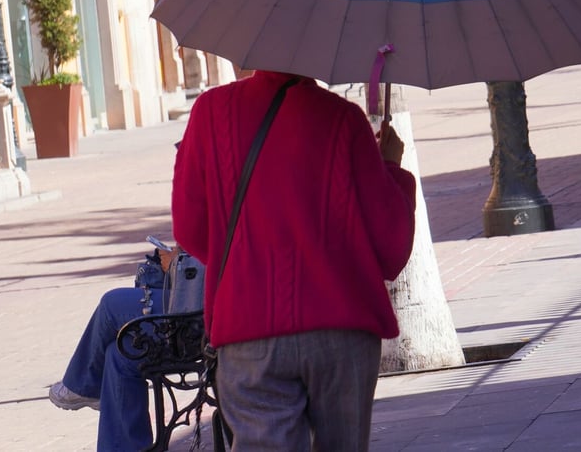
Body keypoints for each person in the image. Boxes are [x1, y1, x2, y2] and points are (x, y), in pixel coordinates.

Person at [172, 70, 416, 451]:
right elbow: (391, 248)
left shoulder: (210, 112)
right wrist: (390, 169)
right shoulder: (344, 120)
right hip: (342, 329)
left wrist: (242, 263)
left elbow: (189, 228)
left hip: (248, 327)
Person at [48, 247, 174, 450]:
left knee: (111, 304)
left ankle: (83, 384)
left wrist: (176, 259)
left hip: (206, 307)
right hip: (201, 299)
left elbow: (200, 244)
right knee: (120, 353)